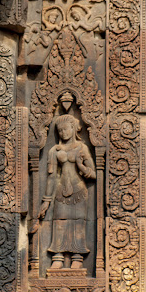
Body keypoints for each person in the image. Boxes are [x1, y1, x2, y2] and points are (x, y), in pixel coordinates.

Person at [39, 114, 96, 269]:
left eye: (65, 129)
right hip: (60, 191)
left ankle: (77, 257)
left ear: (73, 128)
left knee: (78, 223)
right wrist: (46, 200)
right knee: (59, 223)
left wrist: (81, 165)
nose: (63, 132)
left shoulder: (82, 148)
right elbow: (51, 177)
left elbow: (94, 174)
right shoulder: (54, 150)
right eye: (60, 130)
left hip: (79, 191)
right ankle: (58, 256)